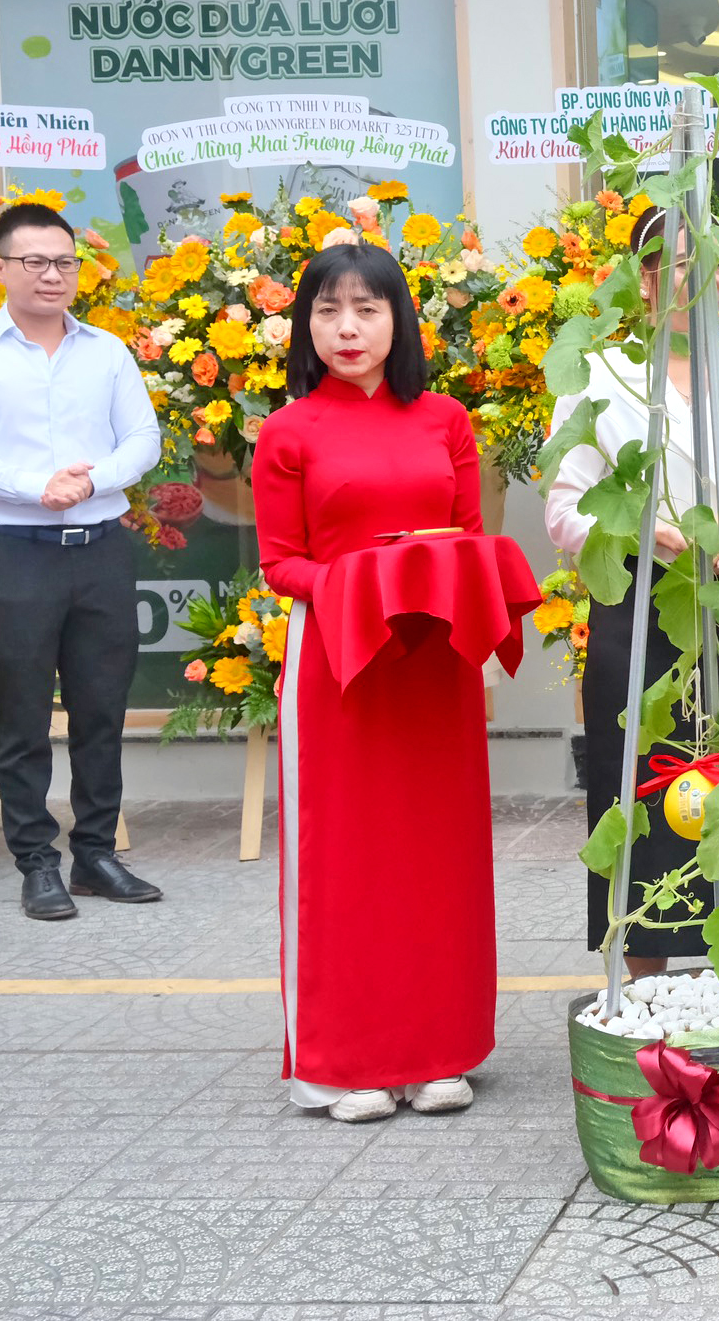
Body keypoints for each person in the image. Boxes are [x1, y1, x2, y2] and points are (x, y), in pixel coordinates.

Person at [254, 242, 537, 1123]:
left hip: (432, 662)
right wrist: (358, 584)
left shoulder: (446, 420)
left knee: (439, 858)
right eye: (328, 310)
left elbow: (465, 538)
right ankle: (342, 1064)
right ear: (305, 325)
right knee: (345, 860)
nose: (347, 329)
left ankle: (440, 1051)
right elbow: (280, 563)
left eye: (366, 309)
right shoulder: (288, 431)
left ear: (398, 321)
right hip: (339, 662)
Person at [544, 210, 719, 977]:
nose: (705, 277)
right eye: (685, 262)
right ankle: (643, 982)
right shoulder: (603, 373)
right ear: (645, 279)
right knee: (637, 787)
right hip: (639, 605)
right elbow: (564, 509)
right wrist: (651, 531)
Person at [0, 200, 163, 921]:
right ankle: (36, 862)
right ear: (0, 268)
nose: (52, 274)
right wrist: (39, 487)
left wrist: (89, 483)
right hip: (17, 552)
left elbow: (143, 439)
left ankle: (95, 853)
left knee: (101, 710)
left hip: (100, 550)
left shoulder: (107, 352)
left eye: (64, 261)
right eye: (34, 261)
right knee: (24, 713)